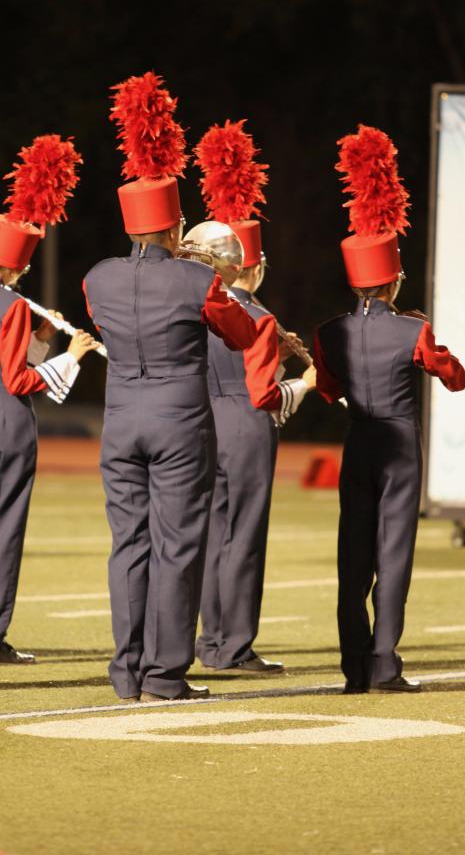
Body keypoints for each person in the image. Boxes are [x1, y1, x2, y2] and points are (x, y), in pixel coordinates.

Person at [84, 73, 260, 702]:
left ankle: (125, 672)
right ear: (174, 225)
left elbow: (107, 320)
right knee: (178, 544)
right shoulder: (195, 281)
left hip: (120, 419)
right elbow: (239, 334)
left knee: (127, 545)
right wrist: (208, 270)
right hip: (181, 420)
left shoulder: (96, 278)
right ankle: (164, 674)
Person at [312, 126, 465, 694]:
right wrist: (428, 339)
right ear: (394, 277)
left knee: (352, 554)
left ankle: (354, 668)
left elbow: (329, 389)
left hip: (358, 442)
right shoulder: (414, 328)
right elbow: (455, 379)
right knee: (393, 555)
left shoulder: (330, 331)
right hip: (399, 445)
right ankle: (385, 665)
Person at [0, 134, 101, 666]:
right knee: (5, 529)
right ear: (12, 268)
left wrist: (43, 341)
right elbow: (18, 380)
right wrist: (73, 355)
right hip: (7, 421)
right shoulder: (10, 308)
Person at [186, 120, 316, 676]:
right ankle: (231, 646)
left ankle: (209, 638)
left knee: (213, 533)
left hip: (200, 420)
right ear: (252, 267)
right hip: (243, 425)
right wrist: (305, 381)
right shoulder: (258, 315)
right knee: (244, 538)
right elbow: (261, 391)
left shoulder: (194, 307)